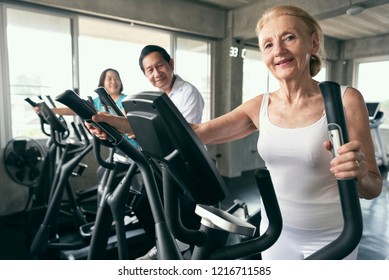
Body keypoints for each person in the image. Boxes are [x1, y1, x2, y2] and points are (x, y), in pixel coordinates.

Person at [86, 6, 382, 260]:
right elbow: (199, 132)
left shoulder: (345, 100)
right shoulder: (260, 105)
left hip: (333, 236)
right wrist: (126, 126)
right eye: (268, 44)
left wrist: (358, 174)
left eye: (289, 37)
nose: (278, 50)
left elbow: (372, 187)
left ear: (313, 42)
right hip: (277, 232)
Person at [87, 45, 204, 259]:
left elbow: (183, 137)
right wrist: (112, 129)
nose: (156, 73)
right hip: (164, 164)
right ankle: (167, 245)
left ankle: (182, 249)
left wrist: (136, 132)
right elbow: (137, 125)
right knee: (143, 206)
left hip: (187, 166)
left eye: (159, 66)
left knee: (171, 212)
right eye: (149, 70)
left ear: (171, 64)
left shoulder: (188, 93)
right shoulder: (153, 96)